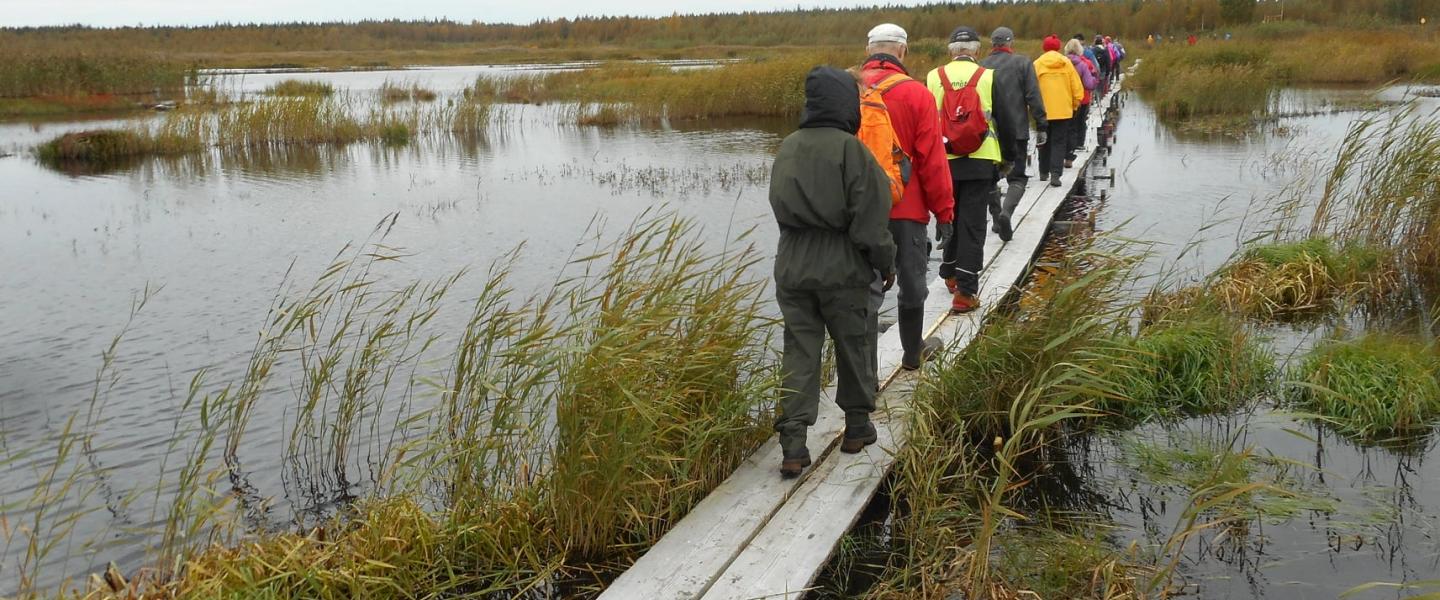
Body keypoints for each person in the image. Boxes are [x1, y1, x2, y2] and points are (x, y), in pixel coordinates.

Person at [769, 66, 897, 478]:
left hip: (792, 265)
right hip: (843, 267)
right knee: (853, 345)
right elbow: (871, 222)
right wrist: (886, 263)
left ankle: (793, 445)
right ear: (847, 103)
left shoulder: (787, 146)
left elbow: (778, 203)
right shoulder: (851, 149)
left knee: (799, 351)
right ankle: (857, 429)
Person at [858, 23, 955, 371]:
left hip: (859, 211)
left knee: (864, 291)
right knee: (912, 283)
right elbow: (932, 161)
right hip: (906, 209)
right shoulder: (917, 94)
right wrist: (945, 213)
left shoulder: (846, 91)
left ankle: (864, 377)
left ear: (870, 51)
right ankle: (913, 354)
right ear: (902, 52)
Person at [927, 25, 1017, 314]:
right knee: (973, 225)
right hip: (980, 161)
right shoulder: (988, 77)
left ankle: (951, 274)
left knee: (948, 217)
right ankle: (965, 293)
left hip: (943, 161)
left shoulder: (933, 77)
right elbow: (1006, 122)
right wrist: (1009, 159)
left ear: (950, 51)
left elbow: (925, 124)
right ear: (977, 51)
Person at [980, 25, 1048, 242]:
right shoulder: (1023, 63)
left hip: (988, 134)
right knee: (1017, 178)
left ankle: (997, 221)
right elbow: (1033, 96)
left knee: (991, 180)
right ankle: (1006, 213)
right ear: (1010, 43)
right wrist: (1042, 124)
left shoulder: (981, 66)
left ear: (992, 44)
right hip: (1017, 130)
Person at [1033, 34, 1083, 187]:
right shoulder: (1066, 64)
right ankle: (1056, 174)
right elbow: (1077, 88)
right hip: (1063, 111)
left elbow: (1031, 89)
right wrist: (1074, 106)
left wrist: (1032, 108)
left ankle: (1043, 172)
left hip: (1042, 111)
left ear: (1044, 47)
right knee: (1059, 142)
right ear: (1059, 47)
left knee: (1043, 141)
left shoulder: (1037, 64)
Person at [1063, 38, 1098, 168]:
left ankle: (1063, 151)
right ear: (1079, 50)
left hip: (1064, 99)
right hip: (1082, 98)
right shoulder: (1084, 63)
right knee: (1080, 123)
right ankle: (1079, 144)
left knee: (1066, 126)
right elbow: (1089, 84)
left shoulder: (1062, 62)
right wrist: (1095, 81)